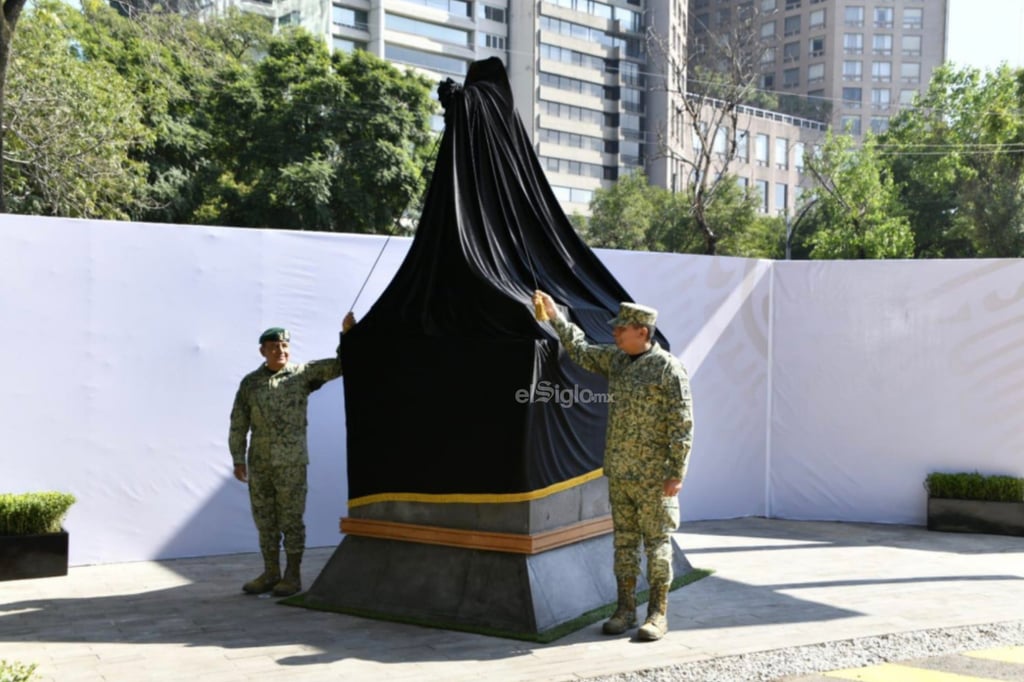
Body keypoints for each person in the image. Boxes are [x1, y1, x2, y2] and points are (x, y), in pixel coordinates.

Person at [533, 291, 693, 641]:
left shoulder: (668, 369)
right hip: (621, 473)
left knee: (656, 545)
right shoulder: (618, 361)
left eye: (622, 330)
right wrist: (555, 317)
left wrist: (675, 474)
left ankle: (657, 614)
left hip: (654, 479)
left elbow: (683, 425)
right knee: (623, 544)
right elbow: (583, 351)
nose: (616, 334)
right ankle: (624, 610)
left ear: (642, 331)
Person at [228, 313, 356, 597]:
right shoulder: (250, 383)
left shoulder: (302, 375)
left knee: (291, 520)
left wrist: (347, 335)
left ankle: (293, 575)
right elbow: (239, 422)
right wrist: (238, 457)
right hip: (260, 463)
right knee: (265, 520)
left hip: (291, 463)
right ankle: (271, 573)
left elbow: (341, 365)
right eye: (274, 347)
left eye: (284, 346)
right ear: (263, 351)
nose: (281, 351)